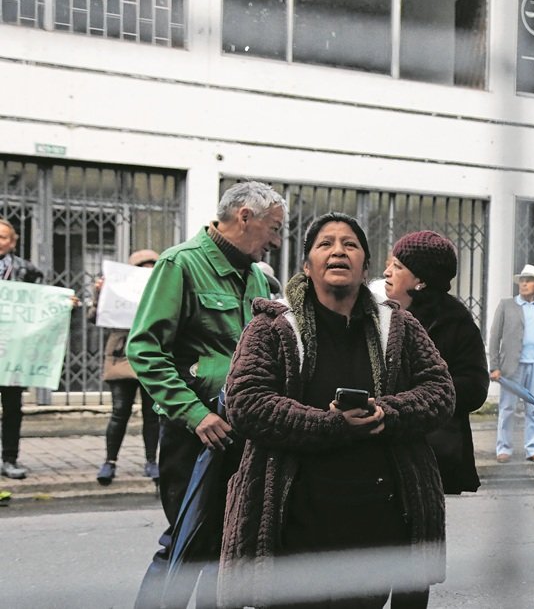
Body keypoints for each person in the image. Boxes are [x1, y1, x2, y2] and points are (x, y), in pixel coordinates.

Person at [219, 212, 454, 608]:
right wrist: (331, 424)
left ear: (366, 267)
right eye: (325, 243)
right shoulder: (272, 327)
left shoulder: (399, 326)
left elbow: (440, 392)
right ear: (307, 265)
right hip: (294, 527)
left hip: (376, 528)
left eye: (350, 244)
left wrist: (386, 413)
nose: (338, 251)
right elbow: (246, 402)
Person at [126, 181, 286, 608]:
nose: (276, 241)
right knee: (184, 543)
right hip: (194, 432)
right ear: (245, 217)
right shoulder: (180, 263)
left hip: (242, 431)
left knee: (226, 548)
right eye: (274, 228)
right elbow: (144, 349)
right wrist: (195, 414)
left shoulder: (257, 276)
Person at [382, 230, 489, 494]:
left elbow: (475, 388)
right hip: (384, 450)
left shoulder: (454, 322)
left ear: (421, 280)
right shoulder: (381, 313)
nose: (387, 272)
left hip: (433, 454)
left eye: (397, 267)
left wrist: (424, 391)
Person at [92, 249, 162, 485]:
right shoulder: (117, 289)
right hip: (121, 357)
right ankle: (109, 462)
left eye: (152, 268)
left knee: (152, 414)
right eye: (143, 268)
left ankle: (151, 461)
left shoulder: (163, 289)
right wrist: (100, 294)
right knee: (119, 411)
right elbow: (95, 317)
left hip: (152, 356)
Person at [489, 263, 534, 465]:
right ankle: (504, 448)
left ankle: (533, 448)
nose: (524, 284)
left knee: (533, 409)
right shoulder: (506, 305)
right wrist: (494, 366)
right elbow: (494, 337)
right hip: (511, 367)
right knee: (507, 408)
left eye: (528, 281)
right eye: (522, 281)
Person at [0, 216, 43, 480]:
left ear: (13, 242)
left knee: (12, 408)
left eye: (3, 237)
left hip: (11, 352)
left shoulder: (26, 270)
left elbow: (43, 298)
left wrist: (64, 303)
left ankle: (9, 459)